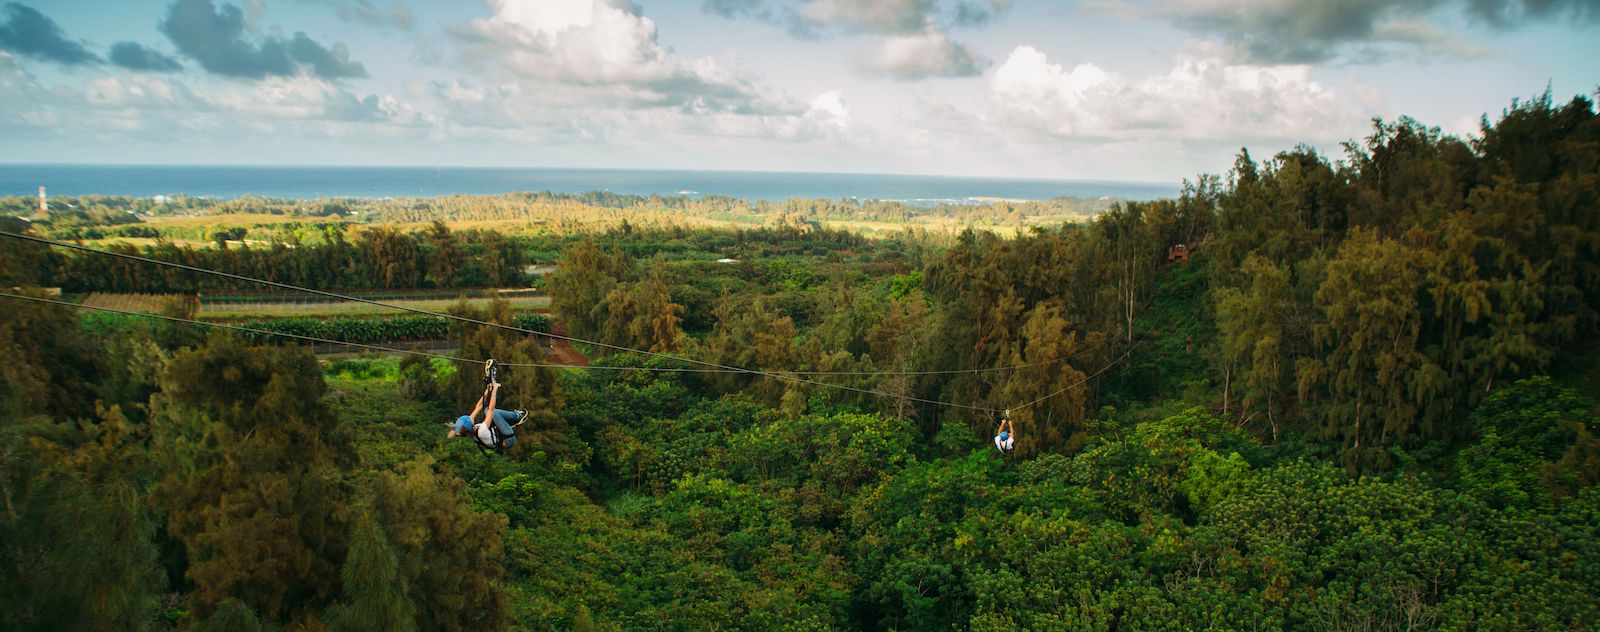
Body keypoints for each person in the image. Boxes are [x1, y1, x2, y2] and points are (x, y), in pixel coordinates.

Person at [447, 380, 524, 453]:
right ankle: (518, 416)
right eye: (469, 419)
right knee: (493, 413)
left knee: (486, 410)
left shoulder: (470, 429)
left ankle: (509, 422)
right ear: (470, 425)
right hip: (508, 439)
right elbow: (491, 410)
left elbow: (478, 407)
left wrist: (487, 391)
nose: (470, 417)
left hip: (499, 434)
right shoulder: (481, 431)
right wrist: (494, 390)